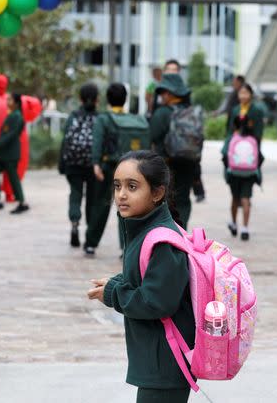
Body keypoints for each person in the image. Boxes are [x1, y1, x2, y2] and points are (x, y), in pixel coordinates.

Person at [87, 150, 194, 403]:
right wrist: (115, 283)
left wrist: (114, 294)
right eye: (117, 186)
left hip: (167, 363)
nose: (122, 195)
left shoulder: (163, 242)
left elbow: (156, 302)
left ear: (157, 193)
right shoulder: (143, 229)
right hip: (157, 361)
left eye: (132, 186)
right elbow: (144, 279)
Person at [91, 83, 151, 256]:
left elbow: (97, 142)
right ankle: (127, 247)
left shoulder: (104, 119)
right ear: (125, 99)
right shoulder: (137, 119)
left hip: (110, 166)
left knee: (101, 205)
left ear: (108, 99)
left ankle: (91, 243)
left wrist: (96, 164)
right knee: (128, 207)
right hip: (134, 168)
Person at [150, 73, 200, 227]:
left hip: (166, 165)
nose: (162, 96)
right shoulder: (191, 112)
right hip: (188, 164)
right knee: (183, 200)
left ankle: (167, 236)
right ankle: (181, 235)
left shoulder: (162, 113)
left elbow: (153, 136)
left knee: (163, 201)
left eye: (164, 92)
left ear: (170, 93)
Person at [59, 83, 100, 250]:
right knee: (92, 199)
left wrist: (62, 163)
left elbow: (65, 141)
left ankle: (75, 223)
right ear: (97, 99)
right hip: (93, 165)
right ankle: (90, 233)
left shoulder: (73, 116)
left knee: (75, 194)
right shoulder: (100, 118)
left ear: (80, 99)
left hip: (73, 164)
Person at [224, 83, 264, 240]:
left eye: (246, 93)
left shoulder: (256, 111)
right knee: (238, 196)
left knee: (242, 197)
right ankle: (238, 225)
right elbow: (228, 131)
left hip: (246, 161)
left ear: (251, 95)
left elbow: (258, 133)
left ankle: (242, 226)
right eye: (241, 93)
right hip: (240, 161)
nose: (243, 96)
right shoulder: (235, 110)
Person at [0, 92, 29, 215]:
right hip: (2, 154)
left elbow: (12, 135)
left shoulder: (17, 116)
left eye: (10, 100)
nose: (7, 102)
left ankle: (22, 203)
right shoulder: (11, 115)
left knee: (13, 179)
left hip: (10, 154)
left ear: (16, 102)